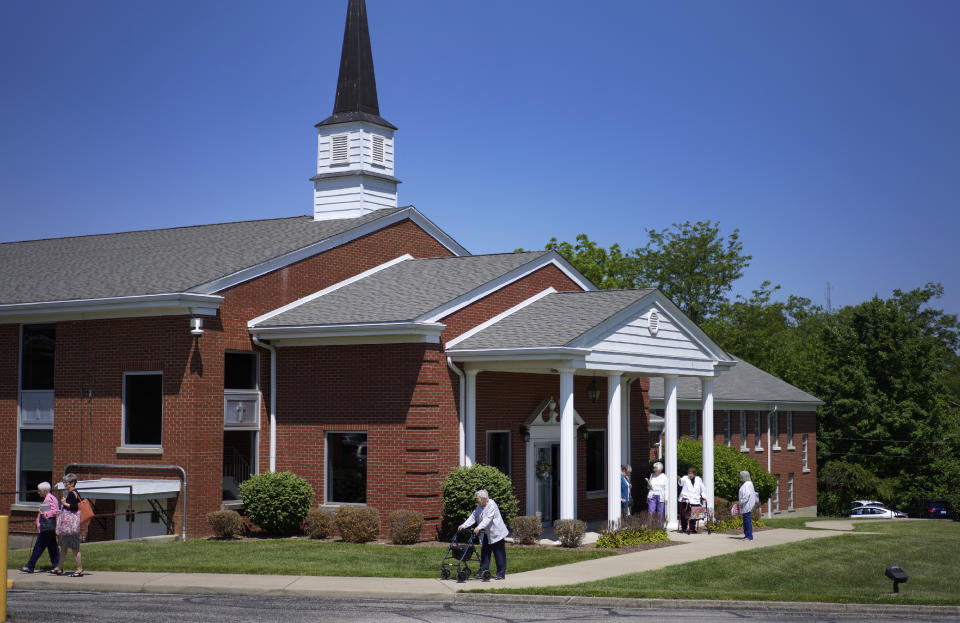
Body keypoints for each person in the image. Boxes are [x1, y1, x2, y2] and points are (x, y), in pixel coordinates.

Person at [458, 489, 508, 580]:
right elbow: (473, 516)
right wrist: (463, 525)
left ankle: (501, 574)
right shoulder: (480, 506)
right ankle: (483, 571)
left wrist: (479, 527)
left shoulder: (492, 505)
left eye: (478, 498)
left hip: (497, 533)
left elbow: (487, 519)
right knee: (485, 553)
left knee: (499, 554)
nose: (477, 500)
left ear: (484, 499)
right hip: (487, 533)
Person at [19, 482, 59, 573]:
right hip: (49, 527)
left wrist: (43, 514)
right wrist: (38, 520)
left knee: (38, 547)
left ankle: (30, 566)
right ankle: (57, 566)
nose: (38, 492)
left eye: (39, 490)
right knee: (53, 548)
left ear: (45, 491)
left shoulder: (48, 499)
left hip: (46, 528)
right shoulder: (50, 498)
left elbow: (54, 512)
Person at [52, 473, 84, 577]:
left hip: (72, 526)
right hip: (68, 526)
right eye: (64, 482)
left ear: (72, 483)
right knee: (64, 547)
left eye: (66, 482)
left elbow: (75, 507)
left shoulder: (72, 493)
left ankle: (79, 569)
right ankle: (59, 568)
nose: (65, 484)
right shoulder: (72, 493)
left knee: (75, 548)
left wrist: (65, 503)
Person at [678, 466, 706, 534]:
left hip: (695, 500)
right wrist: (679, 479)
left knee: (694, 515)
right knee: (684, 515)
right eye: (689, 473)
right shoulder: (685, 478)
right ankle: (684, 528)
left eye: (691, 473)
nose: (690, 475)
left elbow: (702, 488)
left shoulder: (698, 479)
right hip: (685, 499)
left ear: (694, 474)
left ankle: (692, 528)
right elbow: (681, 483)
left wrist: (703, 496)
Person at [738, 470, 760, 541]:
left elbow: (746, 496)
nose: (740, 477)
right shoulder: (749, 483)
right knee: (746, 521)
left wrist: (741, 502)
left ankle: (749, 536)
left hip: (746, 506)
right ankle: (747, 535)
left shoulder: (747, 485)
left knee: (747, 521)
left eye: (741, 476)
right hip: (747, 506)